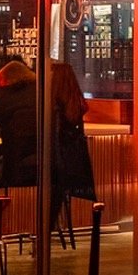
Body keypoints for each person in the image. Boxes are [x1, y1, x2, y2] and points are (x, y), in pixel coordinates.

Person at [47, 62, 97, 233]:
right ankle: (51, 224)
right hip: (70, 166)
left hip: (55, 164)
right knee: (56, 190)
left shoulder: (51, 107)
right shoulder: (76, 103)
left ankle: (46, 226)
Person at [0, 59, 39, 187]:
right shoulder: (42, 93)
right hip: (48, 160)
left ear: (4, 80)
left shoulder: (0, 95)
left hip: (14, 161)